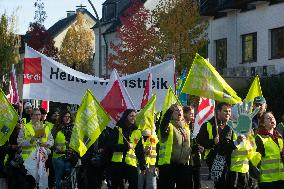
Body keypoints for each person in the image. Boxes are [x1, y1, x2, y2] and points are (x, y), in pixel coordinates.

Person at [107, 109, 146, 189]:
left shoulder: (137, 132)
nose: (133, 118)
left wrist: (143, 166)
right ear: (125, 117)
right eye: (131, 116)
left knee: (134, 185)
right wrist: (125, 147)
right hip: (118, 164)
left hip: (131, 164)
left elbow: (139, 151)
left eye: (135, 116)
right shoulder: (118, 129)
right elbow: (111, 146)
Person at [196, 102, 232, 189]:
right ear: (218, 112)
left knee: (229, 184)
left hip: (230, 160)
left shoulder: (232, 125)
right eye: (225, 111)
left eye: (229, 111)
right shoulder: (207, 125)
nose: (228, 113)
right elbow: (200, 141)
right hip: (214, 159)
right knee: (220, 184)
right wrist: (213, 142)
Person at [157, 104, 192, 189]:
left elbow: (187, 148)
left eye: (180, 110)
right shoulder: (169, 126)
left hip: (183, 166)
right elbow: (163, 126)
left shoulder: (186, 129)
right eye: (176, 110)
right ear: (172, 114)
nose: (179, 111)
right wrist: (169, 111)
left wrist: (195, 149)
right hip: (169, 165)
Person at [17, 108, 54, 189]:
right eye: (36, 115)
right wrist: (32, 140)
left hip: (42, 159)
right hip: (28, 160)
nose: (38, 117)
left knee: (41, 182)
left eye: (39, 115)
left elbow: (51, 142)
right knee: (30, 183)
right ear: (31, 116)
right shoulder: (25, 127)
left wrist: (45, 144)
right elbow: (19, 143)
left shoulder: (46, 127)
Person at [255, 112, 284, 189]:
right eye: (268, 118)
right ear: (263, 123)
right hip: (267, 180)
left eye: (273, 117)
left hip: (280, 178)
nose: (272, 119)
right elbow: (256, 161)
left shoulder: (279, 137)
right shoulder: (259, 138)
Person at [51, 110, 77, 189]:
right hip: (58, 156)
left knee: (69, 177)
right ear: (62, 117)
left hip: (70, 156)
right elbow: (50, 141)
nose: (67, 118)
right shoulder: (56, 128)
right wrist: (55, 147)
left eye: (69, 117)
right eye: (65, 116)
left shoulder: (74, 128)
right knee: (58, 177)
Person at [183, 105, 203, 189]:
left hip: (195, 159)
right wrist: (195, 148)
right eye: (190, 114)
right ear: (184, 114)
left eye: (193, 114)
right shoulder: (182, 127)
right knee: (187, 183)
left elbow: (196, 141)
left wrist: (200, 147)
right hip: (186, 160)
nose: (192, 116)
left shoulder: (193, 126)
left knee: (197, 182)